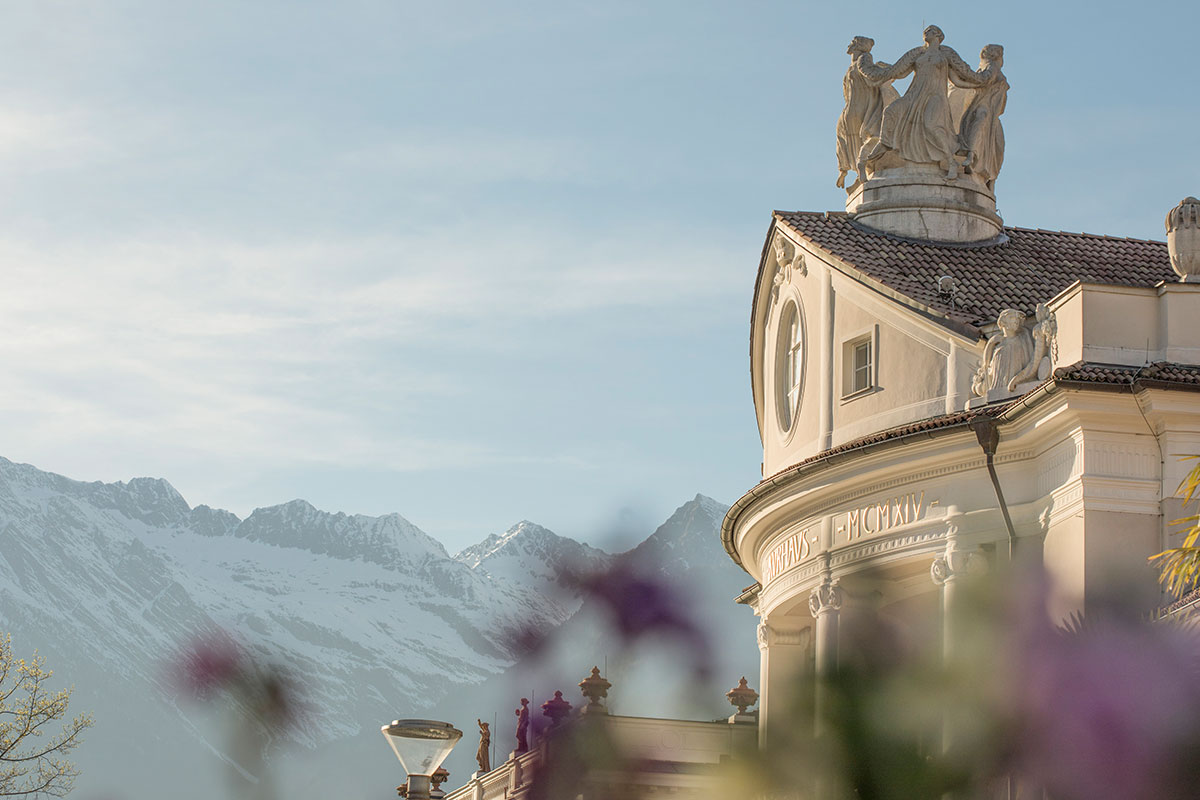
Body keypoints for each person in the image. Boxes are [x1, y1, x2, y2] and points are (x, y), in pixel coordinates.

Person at [858, 25, 984, 179]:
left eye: (930, 31)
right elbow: (897, 72)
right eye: (925, 31)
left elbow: (957, 78)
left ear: (938, 35)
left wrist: (978, 85)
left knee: (931, 125)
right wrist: (873, 71)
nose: (926, 32)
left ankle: (951, 162)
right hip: (915, 95)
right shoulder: (918, 53)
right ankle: (885, 142)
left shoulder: (946, 54)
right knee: (890, 111)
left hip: (935, 96)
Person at [835, 36, 899, 189]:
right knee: (869, 136)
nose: (849, 44)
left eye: (853, 42)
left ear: (858, 46)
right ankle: (860, 169)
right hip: (862, 107)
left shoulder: (862, 60)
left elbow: (848, 91)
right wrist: (890, 71)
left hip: (852, 109)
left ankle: (850, 171)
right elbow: (872, 77)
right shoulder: (861, 62)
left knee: (847, 140)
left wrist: (886, 71)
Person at [956, 44, 1008, 190]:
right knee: (980, 121)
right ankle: (971, 156)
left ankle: (990, 178)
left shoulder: (992, 68)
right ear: (997, 56)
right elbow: (982, 80)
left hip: (993, 113)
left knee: (999, 143)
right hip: (983, 107)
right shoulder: (990, 67)